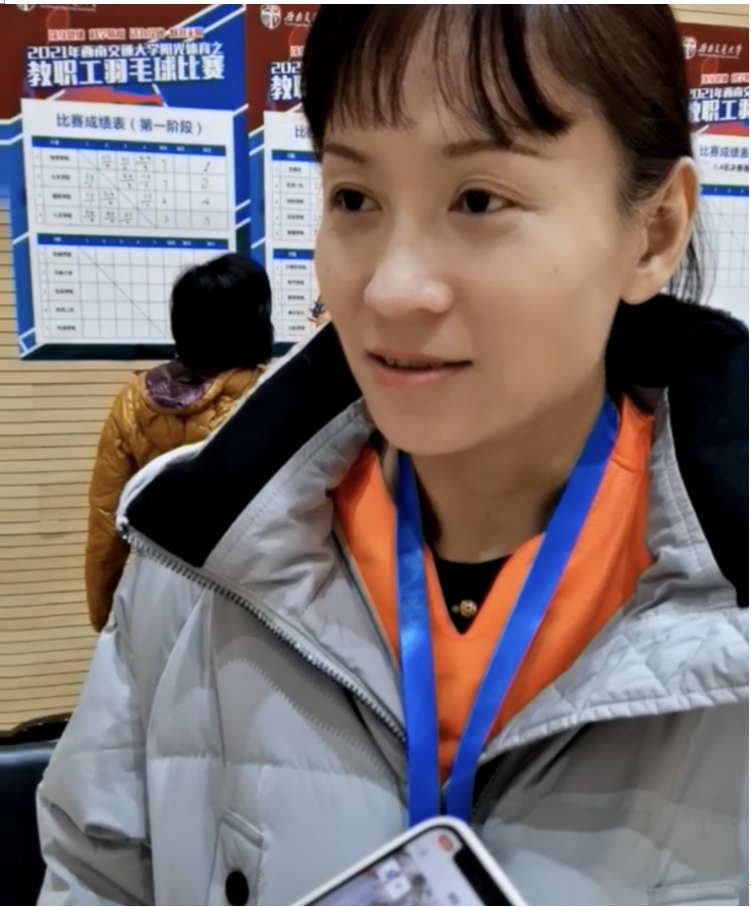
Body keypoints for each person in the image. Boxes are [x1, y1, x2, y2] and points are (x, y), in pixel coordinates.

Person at [38, 6, 748, 906]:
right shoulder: (194, 563)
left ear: (652, 231)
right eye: (354, 198)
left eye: (478, 199)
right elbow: (94, 876)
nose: (391, 287)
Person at [84, 253, 273, 632]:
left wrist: (103, 615)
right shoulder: (269, 398)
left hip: (159, 594)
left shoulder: (132, 402)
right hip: (254, 601)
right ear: (254, 322)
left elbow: (106, 520)